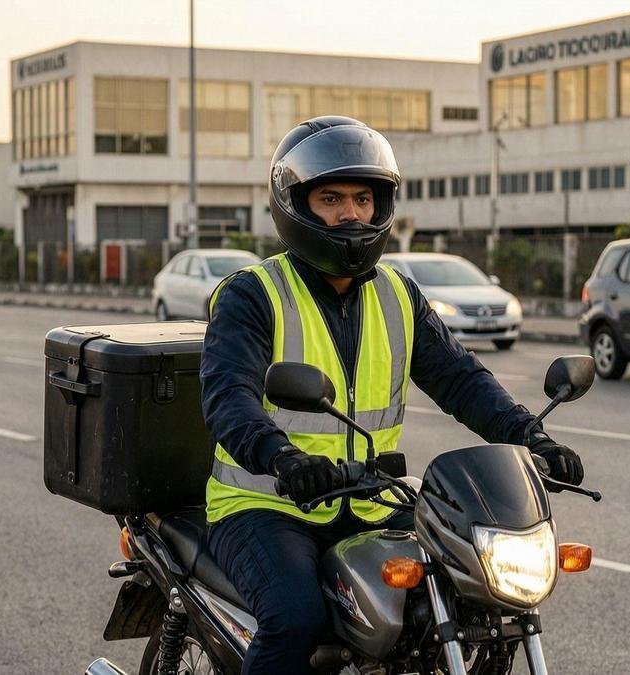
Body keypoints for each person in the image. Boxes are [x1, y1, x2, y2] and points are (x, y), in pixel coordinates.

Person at [200, 116, 582, 674]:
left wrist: (532, 437)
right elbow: (228, 397)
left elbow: (462, 380)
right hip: (267, 505)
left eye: (362, 198)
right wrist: (282, 457)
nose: (350, 213)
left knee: (466, 601)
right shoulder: (252, 295)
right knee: (296, 617)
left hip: (372, 503)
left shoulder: (398, 295)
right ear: (296, 206)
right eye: (330, 198)